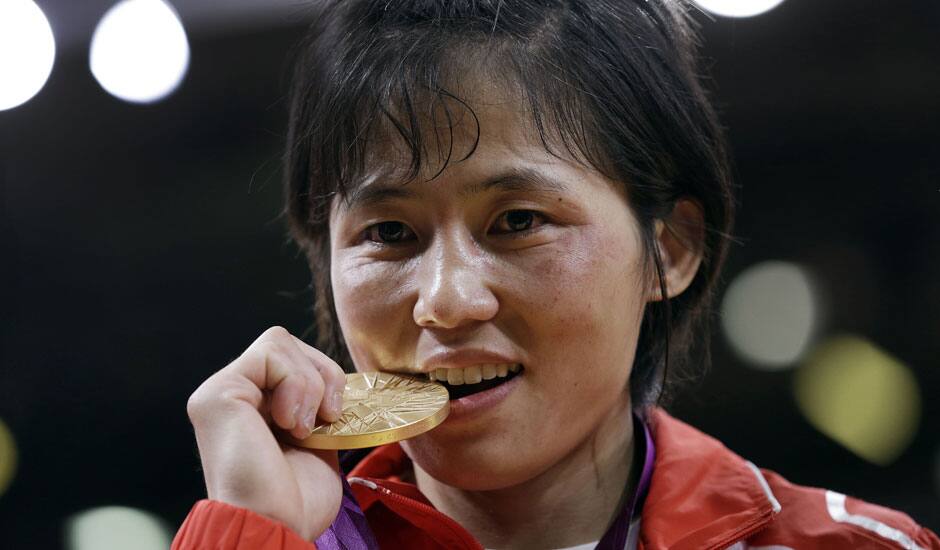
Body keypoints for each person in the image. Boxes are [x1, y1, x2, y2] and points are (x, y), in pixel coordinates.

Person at [171, 1, 940, 549]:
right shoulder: (273, 536)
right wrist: (252, 533)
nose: (445, 299)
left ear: (668, 248)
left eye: (518, 221)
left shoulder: (844, 545)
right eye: (389, 233)